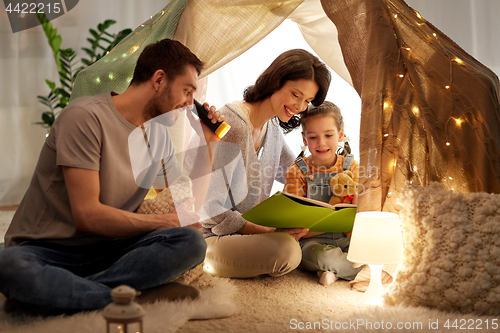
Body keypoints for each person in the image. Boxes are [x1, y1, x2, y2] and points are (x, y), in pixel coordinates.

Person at [0, 39, 224, 314]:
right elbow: (88, 215)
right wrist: (162, 221)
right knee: (9, 266)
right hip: (46, 250)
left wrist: (209, 141)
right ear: (159, 79)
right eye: (187, 91)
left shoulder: (158, 137)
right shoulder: (84, 117)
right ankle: (129, 298)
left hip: (110, 250)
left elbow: (187, 207)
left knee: (191, 243)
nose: (190, 104)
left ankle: (61, 296)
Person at [200, 49, 331, 278]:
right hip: (209, 237)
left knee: (305, 235)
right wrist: (267, 230)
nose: (300, 107)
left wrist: (341, 173)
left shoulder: (272, 128)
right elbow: (210, 210)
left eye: (307, 100)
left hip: (244, 233)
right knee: (287, 252)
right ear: (275, 81)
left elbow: (297, 172)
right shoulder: (234, 126)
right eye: (295, 94)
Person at [284, 101, 363, 286]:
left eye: (328, 135)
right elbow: (296, 223)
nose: (321, 143)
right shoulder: (297, 171)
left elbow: (360, 210)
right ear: (304, 139)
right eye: (313, 137)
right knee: (318, 255)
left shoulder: (352, 167)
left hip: (346, 238)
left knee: (372, 248)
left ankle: (332, 272)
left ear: (340, 134)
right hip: (313, 242)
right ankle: (351, 270)